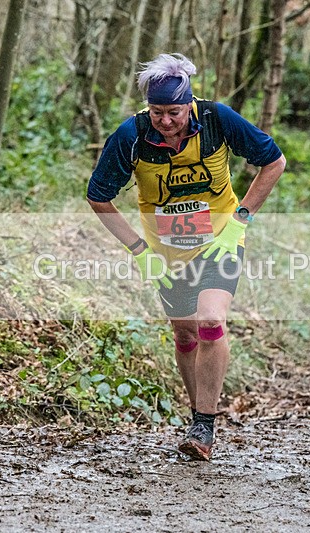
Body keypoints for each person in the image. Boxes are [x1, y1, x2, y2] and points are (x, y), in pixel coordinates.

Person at [86, 53, 286, 461]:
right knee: (184, 334)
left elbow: (274, 161)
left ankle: (205, 426)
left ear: (189, 104)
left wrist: (239, 220)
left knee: (210, 320)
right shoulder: (132, 135)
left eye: (173, 112)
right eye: (157, 112)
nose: (165, 121)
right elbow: (99, 197)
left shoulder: (216, 119)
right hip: (164, 252)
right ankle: (199, 418)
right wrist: (139, 250)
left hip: (219, 241)